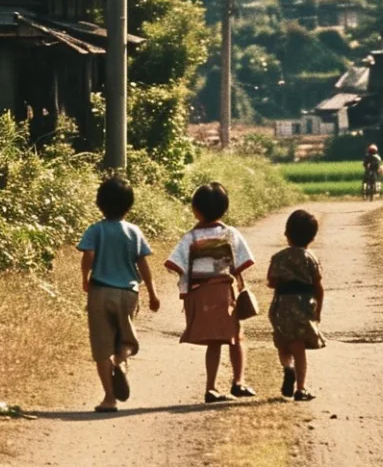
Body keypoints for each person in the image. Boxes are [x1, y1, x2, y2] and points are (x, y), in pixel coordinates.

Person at [165, 182, 257, 403]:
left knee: (214, 343)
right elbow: (242, 263)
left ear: (195, 210)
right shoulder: (229, 233)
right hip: (225, 292)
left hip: (201, 294)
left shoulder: (191, 238)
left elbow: (174, 264)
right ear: (225, 209)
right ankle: (238, 382)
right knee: (236, 336)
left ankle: (211, 387)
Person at [77, 177, 161, 413]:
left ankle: (109, 398)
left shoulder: (96, 229)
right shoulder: (134, 231)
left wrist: (85, 278)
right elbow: (142, 263)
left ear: (99, 203)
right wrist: (153, 293)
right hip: (128, 292)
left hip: (100, 291)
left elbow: (88, 256)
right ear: (129, 205)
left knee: (102, 345)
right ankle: (121, 361)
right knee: (125, 338)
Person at [267, 209, 326, 401]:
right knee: (299, 347)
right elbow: (318, 287)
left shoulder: (278, 257)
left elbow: (271, 281)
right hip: (303, 306)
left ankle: (288, 367)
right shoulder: (311, 258)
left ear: (287, 233)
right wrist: (318, 311)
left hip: (281, 305)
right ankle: (301, 388)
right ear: (312, 237)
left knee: (284, 345)